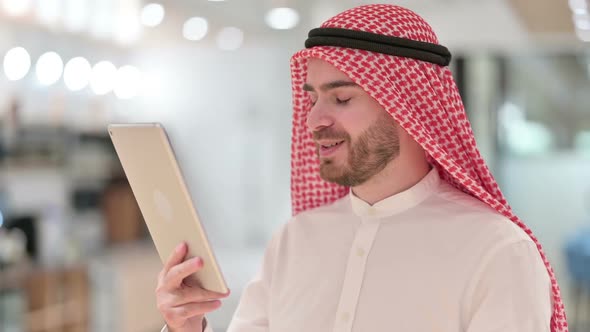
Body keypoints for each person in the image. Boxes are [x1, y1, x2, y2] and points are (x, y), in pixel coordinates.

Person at [155, 4, 568, 332]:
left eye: (342, 98)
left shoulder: (497, 251)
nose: (314, 119)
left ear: (409, 109)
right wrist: (188, 328)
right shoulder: (295, 241)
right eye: (313, 97)